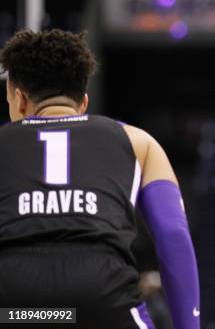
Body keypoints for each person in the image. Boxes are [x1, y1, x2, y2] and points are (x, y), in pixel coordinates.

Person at [0, 29, 200, 328]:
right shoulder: (138, 141)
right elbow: (173, 235)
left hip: (17, 308)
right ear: (83, 102)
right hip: (105, 299)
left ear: (19, 99)